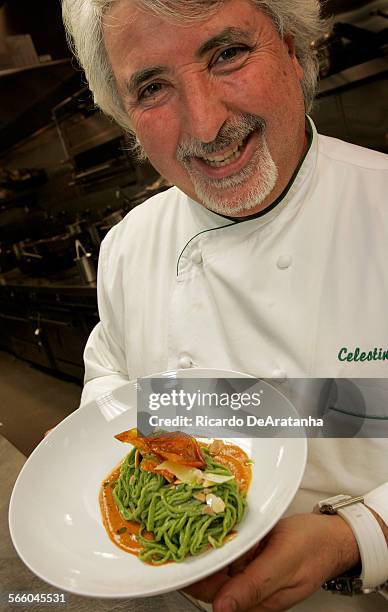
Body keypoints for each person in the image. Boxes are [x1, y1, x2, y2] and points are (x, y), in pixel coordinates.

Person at [62, 1, 388, 610]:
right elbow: (111, 377)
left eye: (228, 54)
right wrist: (111, 442)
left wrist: (362, 533)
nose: (206, 126)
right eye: (153, 87)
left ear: (293, 49)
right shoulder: (130, 246)